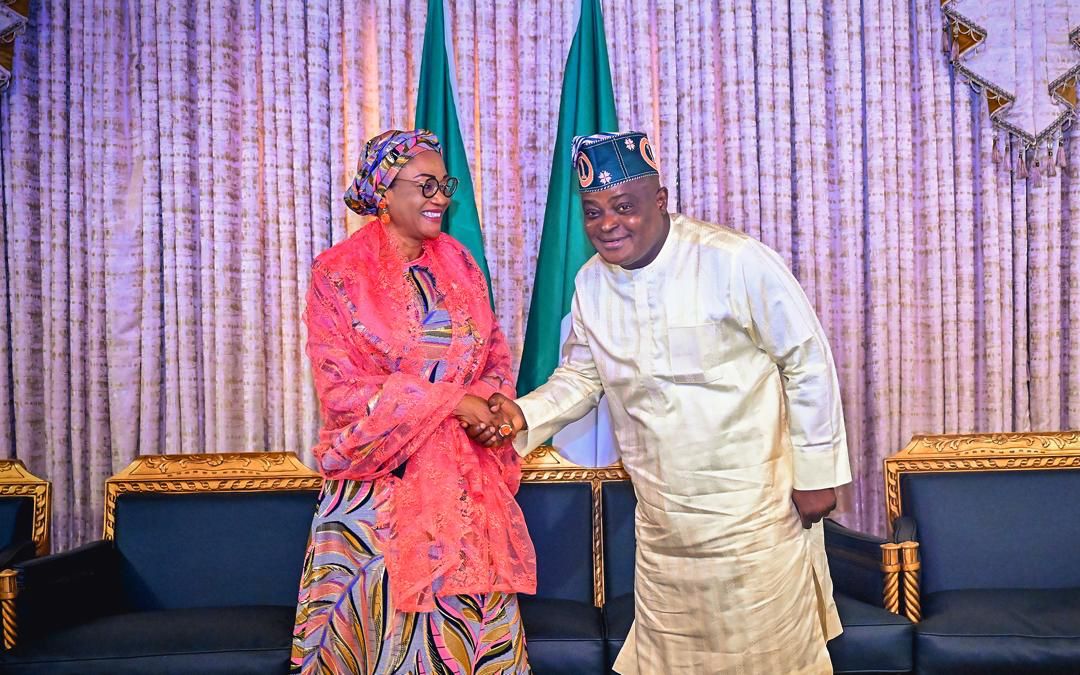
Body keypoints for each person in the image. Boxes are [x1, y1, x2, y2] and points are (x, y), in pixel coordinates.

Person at [491, 131, 851, 674]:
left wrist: (817, 474)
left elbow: (806, 361)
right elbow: (582, 378)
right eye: (593, 212)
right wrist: (522, 414)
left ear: (660, 200)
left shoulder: (733, 260)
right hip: (665, 526)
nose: (607, 224)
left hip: (753, 514)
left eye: (624, 207)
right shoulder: (591, 284)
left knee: (769, 657)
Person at [291, 129, 535, 674]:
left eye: (445, 185)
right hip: (377, 496)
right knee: (381, 639)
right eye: (426, 185)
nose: (440, 197)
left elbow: (494, 356)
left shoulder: (461, 263)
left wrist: (489, 408)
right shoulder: (337, 272)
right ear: (384, 190)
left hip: (464, 490)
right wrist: (454, 403)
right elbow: (342, 391)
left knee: (464, 641)